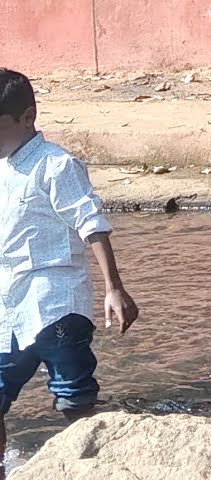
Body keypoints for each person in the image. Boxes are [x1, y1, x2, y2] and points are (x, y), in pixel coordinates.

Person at [0, 69, 140, 477]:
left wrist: (114, 288)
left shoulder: (56, 165)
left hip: (57, 303)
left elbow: (90, 224)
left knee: (74, 396)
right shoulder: (4, 166)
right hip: (11, 306)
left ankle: (91, 467)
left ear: (28, 117)